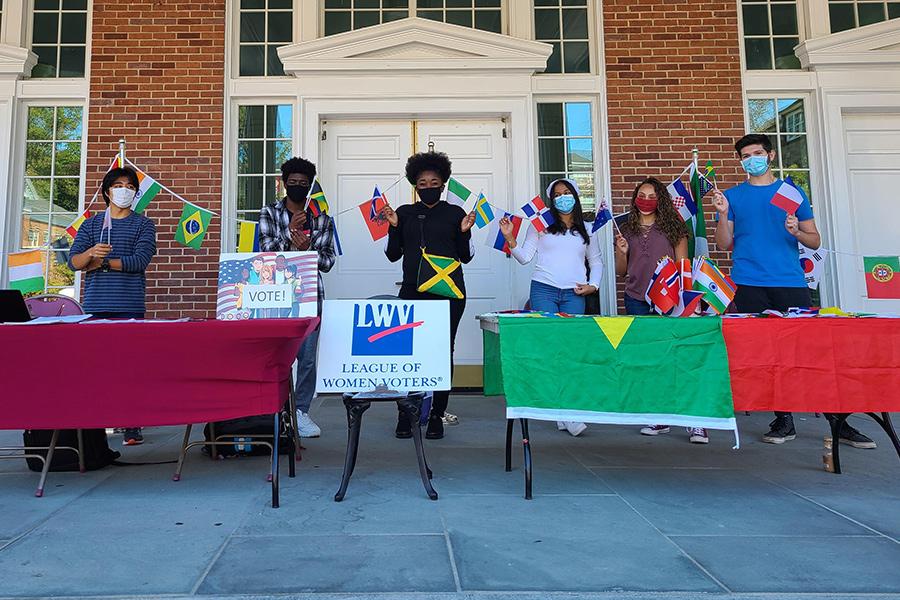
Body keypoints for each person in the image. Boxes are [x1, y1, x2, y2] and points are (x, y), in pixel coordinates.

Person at [713, 133, 875, 449]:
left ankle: (838, 419)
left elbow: (814, 240)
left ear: (770, 155)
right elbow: (723, 243)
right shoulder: (733, 197)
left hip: (790, 282)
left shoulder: (790, 192)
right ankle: (783, 419)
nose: (751, 160)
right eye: (745, 156)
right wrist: (721, 213)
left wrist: (796, 231)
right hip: (748, 282)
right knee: (765, 354)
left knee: (811, 350)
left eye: (757, 153)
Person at [382, 151, 476, 440]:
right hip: (413, 291)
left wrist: (464, 232)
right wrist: (394, 227)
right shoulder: (404, 212)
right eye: (422, 182)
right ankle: (406, 412)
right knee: (409, 352)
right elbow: (392, 255)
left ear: (444, 183)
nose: (428, 186)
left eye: (434, 181)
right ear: (414, 185)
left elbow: (465, 257)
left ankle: (436, 414)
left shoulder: (455, 213)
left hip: (449, 293)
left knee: (442, 351)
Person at [501, 178, 602, 437]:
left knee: (569, 349)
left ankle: (563, 410)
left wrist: (593, 285)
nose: (562, 198)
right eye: (557, 195)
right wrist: (511, 238)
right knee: (549, 347)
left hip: (574, 294)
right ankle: (565, 411)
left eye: (567, 193)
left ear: (576, 197)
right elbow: (524, 258)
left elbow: (597, 261)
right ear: (551, 200)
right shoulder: (540, 225)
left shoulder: (587, 228)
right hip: (543, 289)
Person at [613, 177, 707, 443]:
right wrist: (621, 252)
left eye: (652, 196)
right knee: (649, 358)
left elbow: (683, 266)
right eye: (641, 195)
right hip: (636, 299)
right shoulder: (625, 228)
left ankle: (694, 420)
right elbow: (622, 271)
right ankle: (660, 416)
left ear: (661, 200)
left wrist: (682, 295)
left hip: (669, 300)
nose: (645, 200)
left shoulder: (674, 228)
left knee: (676, 356)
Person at [68, 166, 157, 446]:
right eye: (119, 185)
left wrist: (103, 263)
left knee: (130, 364)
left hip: (129, 304)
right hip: (95, 304)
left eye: (130, 187)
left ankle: (131, 424)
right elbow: (74, 262)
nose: (124, 191)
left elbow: (139, 262)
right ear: (107, 191)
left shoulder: (144, 224)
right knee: (95, 365)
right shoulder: (92, 225)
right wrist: (90, 254)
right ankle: (95, 424)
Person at [259, 157, 336, 439]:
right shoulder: (268, 213)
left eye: (304, 183)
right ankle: (274, 409)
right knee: (276, 356)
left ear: (311, 185)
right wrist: (291, 237)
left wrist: (309, 248)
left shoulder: (323, 219)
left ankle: (300, 411)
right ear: (284, 183)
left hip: (309, 295)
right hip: (274, 295)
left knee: (306, 358)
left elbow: (327, 262)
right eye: (293, 182)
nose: (298, 187)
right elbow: (266, 255)